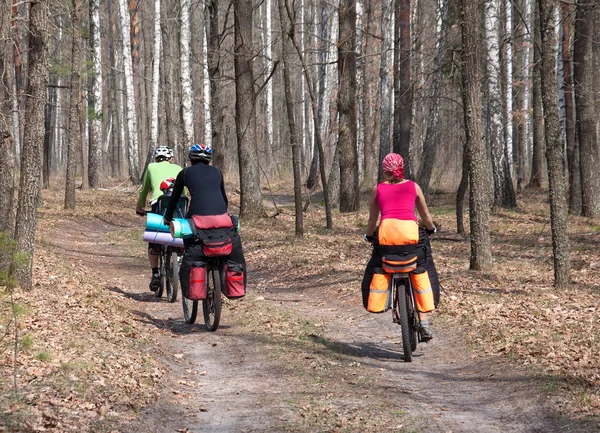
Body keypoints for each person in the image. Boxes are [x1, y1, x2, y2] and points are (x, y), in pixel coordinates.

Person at [362, 153, 440, 342]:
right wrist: (431, 229)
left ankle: (383, 300)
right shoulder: (414, 186)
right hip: (411, 236)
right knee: (421, 267)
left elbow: (372, 219)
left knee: (378, 264)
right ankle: (424, 322)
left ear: (384, 169)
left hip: (387, 236)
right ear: (402, 167)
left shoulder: (377, 189)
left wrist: (370, 236)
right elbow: (426, 215)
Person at [164, 143, 246, 298]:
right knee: (227, 245)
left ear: (191, 158)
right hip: (223, 219)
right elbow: (224, 199)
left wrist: (168, 218)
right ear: (209, 159)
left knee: (193, 247)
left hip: (197, 220)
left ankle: (199, 276)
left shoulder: (185, 173)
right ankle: (224, 277)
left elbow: (174, 199)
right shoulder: (217, 171)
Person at [136, 146, 183, 291]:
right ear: (170, 159)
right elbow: (185, 191)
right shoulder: (178, 168)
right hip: (180, 203)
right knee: (180, 230)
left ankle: (155, 273)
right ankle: (180, 258)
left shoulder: (151, 167)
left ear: (156, 159)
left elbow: (145, 190)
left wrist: (139, 207)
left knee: (153, 239)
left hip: (159, 203)